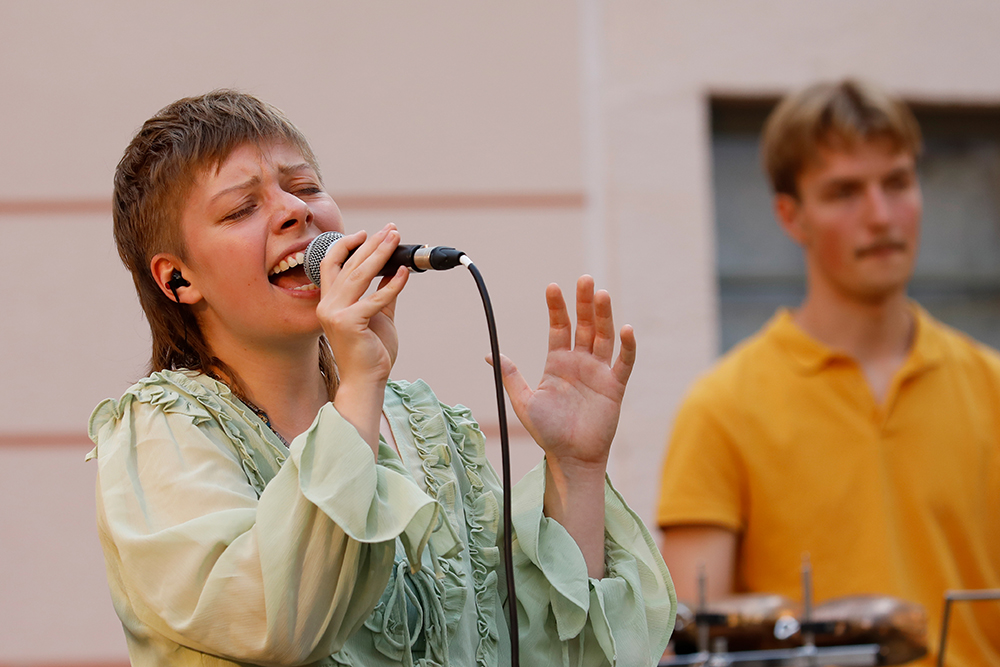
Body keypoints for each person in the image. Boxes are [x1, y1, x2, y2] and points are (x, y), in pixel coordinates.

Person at [88, 90, 675, 667]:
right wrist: (361, 385)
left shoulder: (421, 429)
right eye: (241, 208)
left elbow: (547, 654)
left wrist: (575, 470)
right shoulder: (162, 432)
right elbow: (278, 620)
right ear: (178, 280)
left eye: (306, 187)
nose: (296, 211)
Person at [656, 79, 1000, 666]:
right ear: (791, 216)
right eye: (845, 192)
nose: (881, 215)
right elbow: (691, 643)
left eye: (898, 182)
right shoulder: (722, 406)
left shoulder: (991, 387)